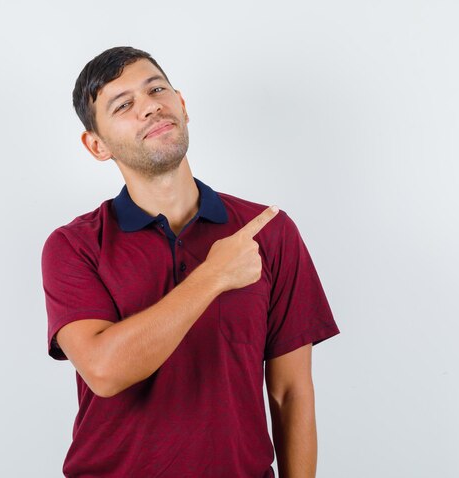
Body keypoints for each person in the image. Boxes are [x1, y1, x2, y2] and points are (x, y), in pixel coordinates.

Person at [42, 46, 340, 478]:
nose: (150, 107)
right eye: (124, 105)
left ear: (181, 104)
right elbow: (105, 371)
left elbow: (291, 392)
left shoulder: (268, 231)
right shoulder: (73, 246)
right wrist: (214, 276)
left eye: (157, 89)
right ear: (97, 145)